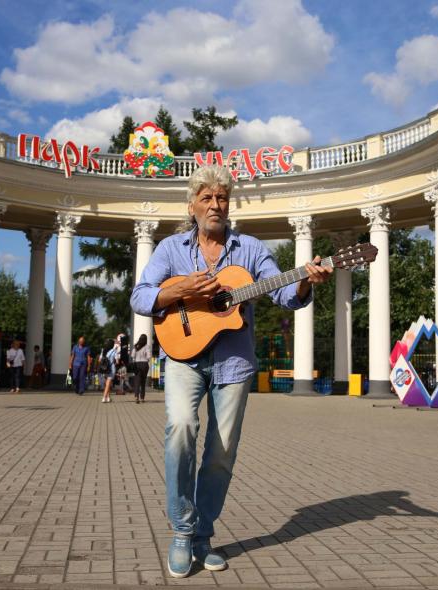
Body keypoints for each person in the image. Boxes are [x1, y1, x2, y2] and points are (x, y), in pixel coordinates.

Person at [130, 165, 332, 577]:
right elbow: (140, 296)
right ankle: (182, 530)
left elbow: (283, 293)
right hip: (183, 356)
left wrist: (306, 281)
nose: (215, 205)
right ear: (192, 205)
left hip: (234, 363)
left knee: (221, 453)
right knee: (181, 428)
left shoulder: (251, 250)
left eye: (222, 197)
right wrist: (181, 290)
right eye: (206, 197)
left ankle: (202, 535)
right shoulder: (169, 249)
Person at [132, 334, 151, 403]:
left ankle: (136, 397)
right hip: (144, 364)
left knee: (137, 381)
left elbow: (132, 355)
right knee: (143, 381)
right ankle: (142, 398)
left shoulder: (135, 346)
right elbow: (149, 356)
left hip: (137, 364)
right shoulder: (147, 347)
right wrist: (146, 359)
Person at [101, 338, 118, 403]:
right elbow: (117, 361)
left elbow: (100, 360)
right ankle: (104, 397)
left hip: (104, 369)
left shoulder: (103, 350)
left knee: (107, 384)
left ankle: (108, 398)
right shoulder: (114, 351)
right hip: (111, 368)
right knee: (108, 384)